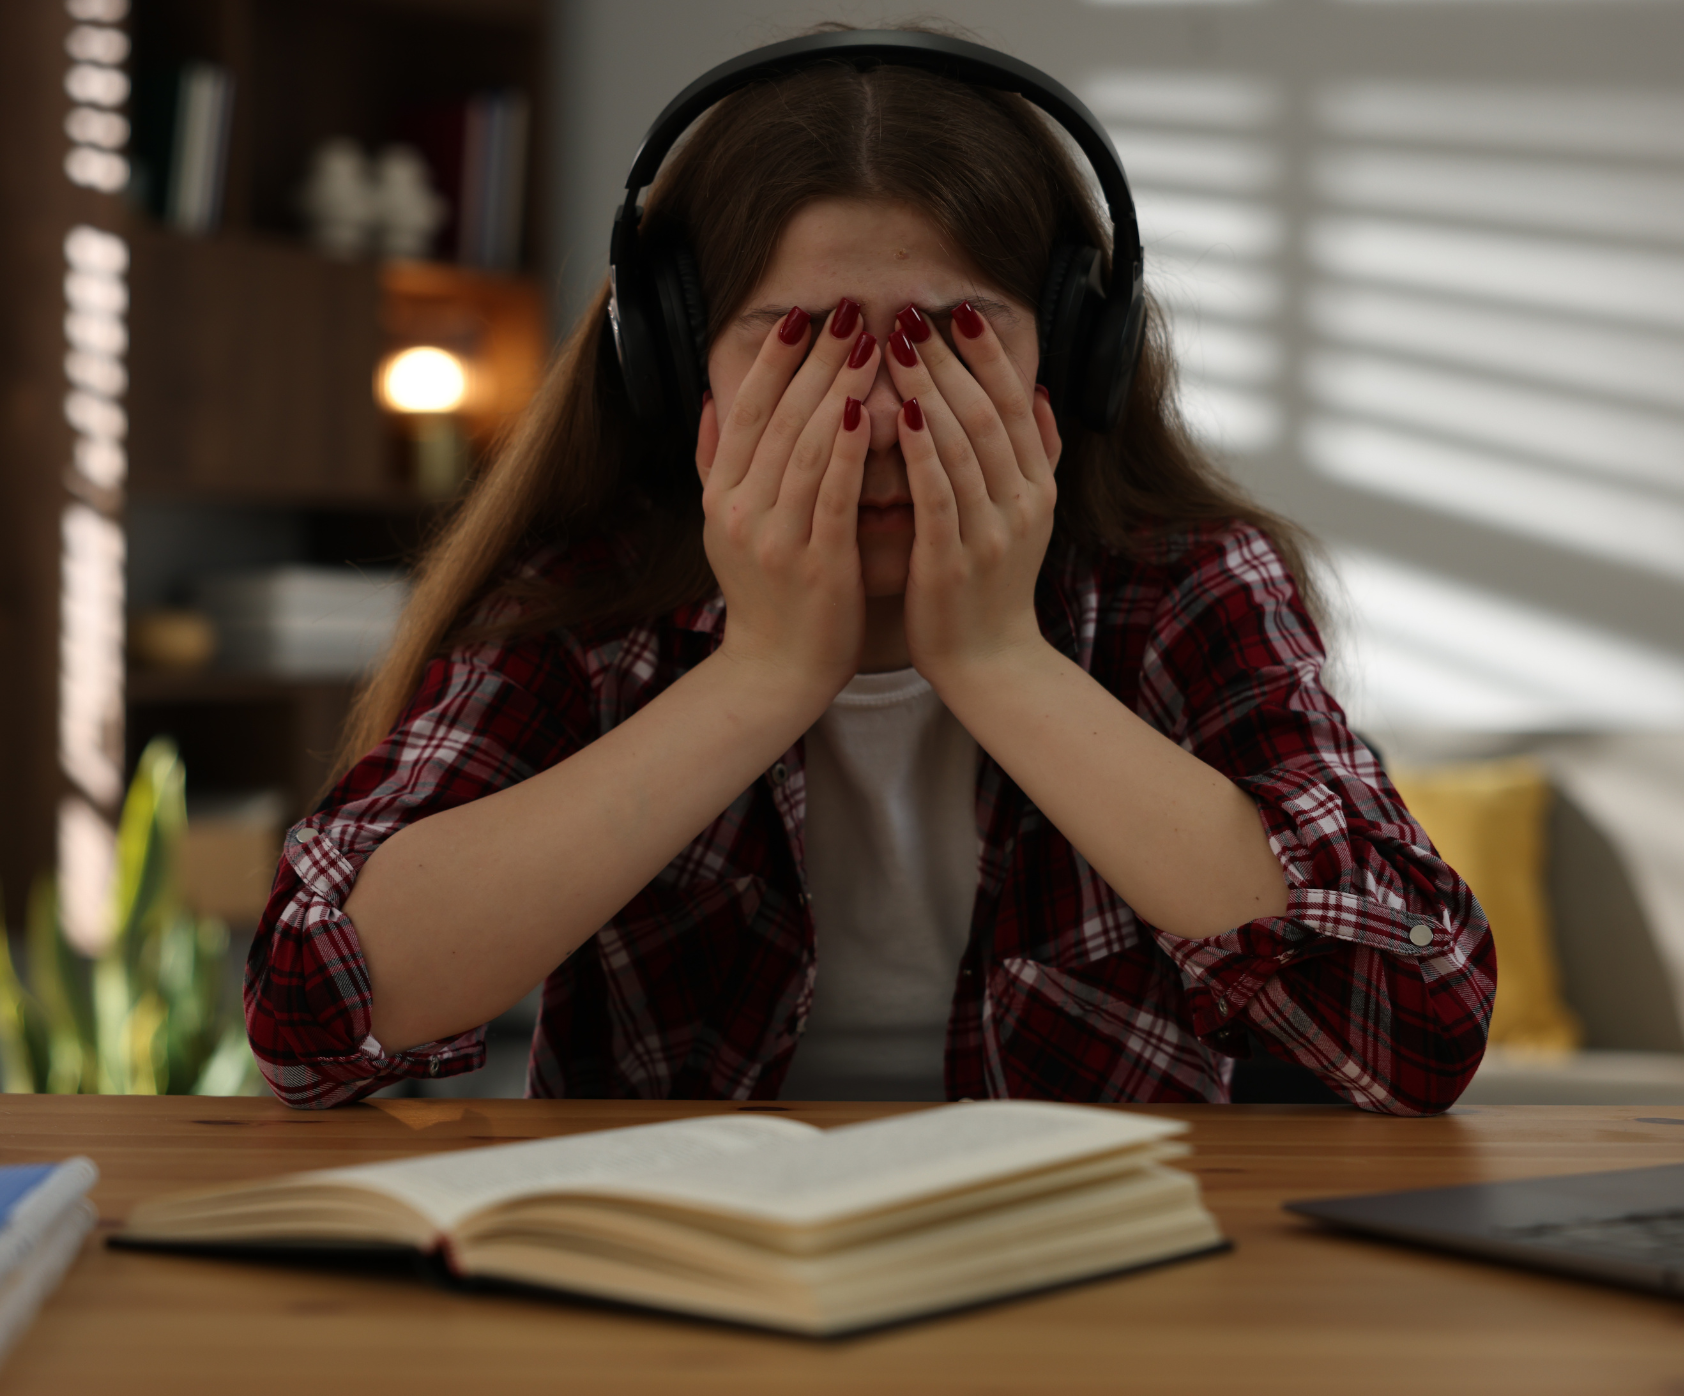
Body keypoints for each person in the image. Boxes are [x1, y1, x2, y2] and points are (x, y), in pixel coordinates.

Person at [247, 28, 1493, 1113]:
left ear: (1073, 353)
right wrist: (765, 672)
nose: (890, 413)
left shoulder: (1183, 586)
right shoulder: (586, 599)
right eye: (804, 343)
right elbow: (309, 1010)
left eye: (957, 337)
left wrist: (998, 659)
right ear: (680, 367)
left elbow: (1418, 1022)